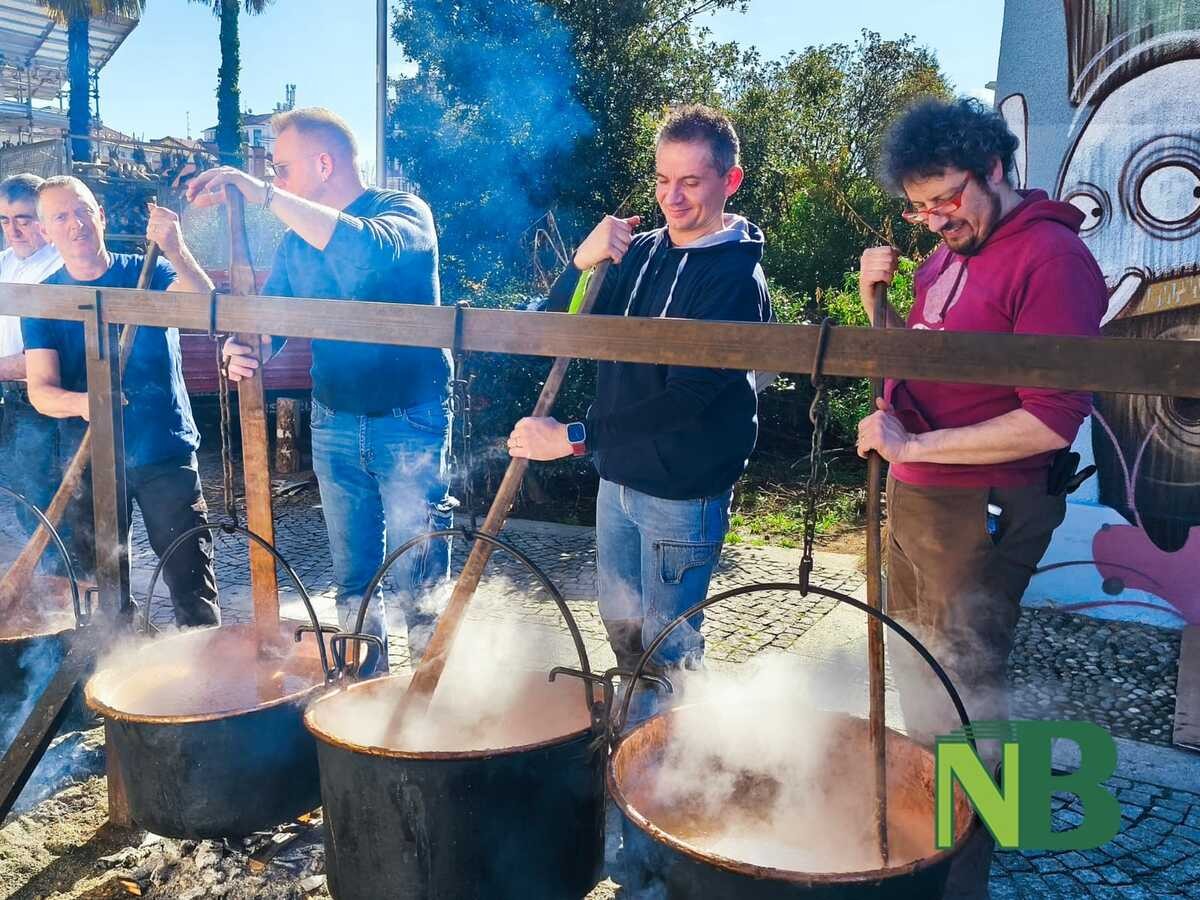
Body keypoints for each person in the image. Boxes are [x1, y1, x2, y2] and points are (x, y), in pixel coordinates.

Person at [854, 98, 1106, 898]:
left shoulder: (1050, 260)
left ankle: (962, 880)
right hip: (919, 499)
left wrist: (916, 448)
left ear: (995, 168)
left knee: (969, 693)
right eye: (918, 205)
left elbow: (1050, 420)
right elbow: (916, 366)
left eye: (947, 197)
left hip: (983, 510)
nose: (933, 219)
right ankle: (921, 847)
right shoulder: (944, 256)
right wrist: (875, 304)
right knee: (921, 680)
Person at [508, 104, 771, 712]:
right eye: (662, 179)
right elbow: (558, 328)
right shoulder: (640, 253)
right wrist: (582, 260)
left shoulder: (733, 280)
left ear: (730, 181)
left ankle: (673, 771)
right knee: (621, 627)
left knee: (670, 645)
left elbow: (686, 400)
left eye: (690, 181)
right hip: (618, 476)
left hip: (683, 488)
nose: (671, 198)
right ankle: (634, 742)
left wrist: (573, 437)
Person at [189, 108, 452, 673]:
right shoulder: (295, 244)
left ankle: (432, 708)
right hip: (334, 420)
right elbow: (272, 323)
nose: (276, 181)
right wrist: (248, 350)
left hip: (408, 420)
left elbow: (367, 253)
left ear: (325, 163)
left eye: (282, 169)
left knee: (417, 575)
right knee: (353, 578)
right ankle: (362, 692)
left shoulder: (402, 213)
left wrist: (258, 192)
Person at [23, 176, 220, 627]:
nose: (76, 224)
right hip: (91, 459)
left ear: (102, 217)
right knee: (100, 589)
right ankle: (112, 676)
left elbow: (205, 305)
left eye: (84, 211)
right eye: (61, 217)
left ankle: (209, 682)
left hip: (164, 453)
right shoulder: (44, 300)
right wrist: (85, 402)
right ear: (46, 231)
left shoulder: (146, 273)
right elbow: (41, 390)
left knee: (191, 582)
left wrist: (176, 247)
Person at [0, 174, 65, 544]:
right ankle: (44, 584)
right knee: (26, 499)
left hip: (48, 400)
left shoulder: (59, 270)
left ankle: (72, 585)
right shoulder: (3, 263)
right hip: (11, 400)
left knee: (56, 500)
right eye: (5, 221)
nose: (14, 230)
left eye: (23, 219)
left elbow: (42, 358)